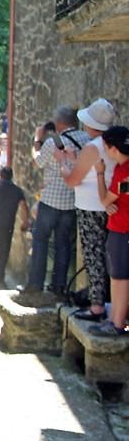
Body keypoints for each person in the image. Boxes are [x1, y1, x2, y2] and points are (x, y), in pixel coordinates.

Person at [61, 99, 118, 322]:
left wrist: (64, 163)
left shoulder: (94, 147)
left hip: (90, 208)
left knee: (94, 257)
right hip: (108, 206)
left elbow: (73, 179)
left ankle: (96, 307)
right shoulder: (112, 145)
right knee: (110, 256)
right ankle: (110, 303)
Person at [24, 106, 88, 297]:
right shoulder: (87, 140)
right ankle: (59, 286)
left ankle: (36, 284)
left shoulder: (53, 142)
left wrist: (37, 140)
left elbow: (38, 162)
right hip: (72, 202)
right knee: (63, 244)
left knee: (41, 240)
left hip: (50, 201)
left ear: (59, 123)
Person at [91, 126, 129, 336]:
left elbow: (106, 198)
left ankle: (116, 323)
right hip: (123, 227)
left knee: (119, 277)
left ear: (112, 148)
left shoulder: (123, 172)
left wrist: (99, 173)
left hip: (122, 229)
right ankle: (116, 319)